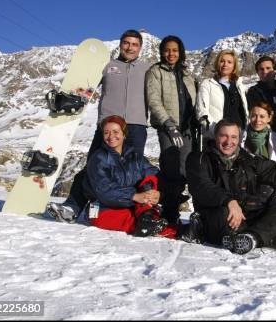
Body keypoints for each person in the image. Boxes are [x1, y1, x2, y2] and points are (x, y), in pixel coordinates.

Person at [47, 29, 152, 222]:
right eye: (126, 43)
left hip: (136, 127)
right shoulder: (107, 66)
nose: (130, 47)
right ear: (120, 45)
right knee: (92, 168)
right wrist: (69, 99)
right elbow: (86, 87)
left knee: (134, 172)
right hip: (108, 127)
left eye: (134, 44)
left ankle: (136, 214)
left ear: (140, 48)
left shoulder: (148, 68)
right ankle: (72, 208)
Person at [185, 119, 276, 255]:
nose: (229, 142)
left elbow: (275, 173)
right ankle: (266, 238)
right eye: (224, 136)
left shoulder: (246, 158)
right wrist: (228, 201)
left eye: (234, 137)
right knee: (225, 214)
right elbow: (202, 186)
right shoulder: (199, 158)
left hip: (247, 214)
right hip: (217, 213)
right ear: (215, 137)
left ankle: (251, 238)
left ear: (239, 139)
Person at [81, 115, 175, 238]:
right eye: (106, 132)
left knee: (149, 183)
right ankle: (168, 228)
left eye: (115, 132)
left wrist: (157, 193)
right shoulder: (98, 158)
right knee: (133, 221)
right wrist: (134, 196)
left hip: (130, 205)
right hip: (103, 209)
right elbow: (104, 191)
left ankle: (148, 220)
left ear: (124, 134)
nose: (111, 136)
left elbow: (153, 174)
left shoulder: (134, 157)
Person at [145, 35, 197, 223]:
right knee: (170, 168)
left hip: (187, 129)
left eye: (175, 50)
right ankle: (169, 212)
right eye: (167, 50)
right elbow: (154, 100)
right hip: (168, 128)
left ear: (180, 52)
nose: (171, 53)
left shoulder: (187, 75)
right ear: (161, 52)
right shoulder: (155, 71)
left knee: (183, 170)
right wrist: (169, 125)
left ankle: (173, 204)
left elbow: (194, 101)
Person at [195, 50, 248, 137]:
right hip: (216, 136)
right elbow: (201, 112)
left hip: (238, 136)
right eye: (222, 61)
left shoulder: (239, 86)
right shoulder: (207, 84)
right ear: (217, 63)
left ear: (234, 66)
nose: (225, 64)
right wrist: (216, 131)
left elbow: (244, 112)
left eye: (229, 62)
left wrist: (244, 132)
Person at [241, 102, 276, 166]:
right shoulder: (239, 136)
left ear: (269, 118)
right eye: (253, 116)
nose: (257, 120)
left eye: (262, 116)